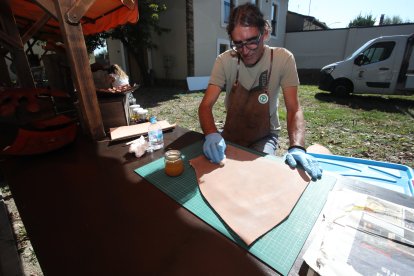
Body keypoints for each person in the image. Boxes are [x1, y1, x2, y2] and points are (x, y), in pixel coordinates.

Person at [198, 3, 323, 181]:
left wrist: (297, 146)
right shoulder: (225, 61)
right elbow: (205, 106)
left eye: (252, 42)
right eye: (239, 44)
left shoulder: (283, 59)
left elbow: (294, 108)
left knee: (257, 177)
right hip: (231, 134)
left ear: (264, 33)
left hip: (264, 137)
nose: (245, 51)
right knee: (219, 177)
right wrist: (211, 133)